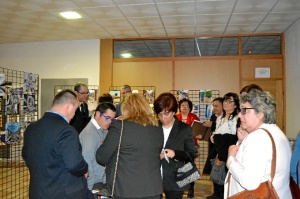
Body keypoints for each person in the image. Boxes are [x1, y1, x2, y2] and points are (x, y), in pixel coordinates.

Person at [22, 89, 89, 199]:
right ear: (68, 106)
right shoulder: (67, 130)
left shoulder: (32, 127)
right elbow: (74, 164)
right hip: (63, 192)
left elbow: (26, 156)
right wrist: (84, 168)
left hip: (38, 191)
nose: (74, 114)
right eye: (75, 109)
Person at [225, 89, 292, 198]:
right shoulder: (276, 132)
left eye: (244, 110)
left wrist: (231, 159)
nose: (239, 115)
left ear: (260, 114)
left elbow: (249, 182)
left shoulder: (257, 138)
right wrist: (243, 141)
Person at [96, 93, 164, 199]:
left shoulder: (119, 126)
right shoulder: (157, 128)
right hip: (152, 189)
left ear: (125, 108)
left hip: (124, 189)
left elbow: (102, 157)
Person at [153, 92, 195, 199]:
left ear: (173, 112)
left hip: (175, 177)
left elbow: (191, 154)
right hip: (154, 175)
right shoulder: (153, 127)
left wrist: (175, 153)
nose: (163, 118)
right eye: (160, 114)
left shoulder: (184, 129)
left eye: (166, 113)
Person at [79, 102, 116, 194]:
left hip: (101, 181)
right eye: (107, 118)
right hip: (95, 184)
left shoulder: (102, 130)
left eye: (112, 119)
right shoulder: (90, 133)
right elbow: (87, 161)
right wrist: (90, 188)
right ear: (98, 114)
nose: (109, 122)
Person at [208, 93, 239, 199]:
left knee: (225, 179)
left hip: (228, 153)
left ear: (235, 105)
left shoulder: (236, 119)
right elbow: (217, 133)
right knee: (217, 175)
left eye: (230, 101)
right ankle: (217, 194)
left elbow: (234, 138)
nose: (226, 103)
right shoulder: (220, 118)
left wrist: (218, 138)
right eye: (225, 100)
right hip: (217, 151)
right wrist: (214, 137)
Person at [176, 98, 200, 198]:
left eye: (187, 105)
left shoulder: (194, 117)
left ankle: (191, 188)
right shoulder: (176, 117)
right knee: (179, 167)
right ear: (179, 108)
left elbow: (199, 131)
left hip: (191, 146)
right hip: (178, 146)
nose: (185, 107)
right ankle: (180, 187)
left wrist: (200, 135)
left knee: (190, 167)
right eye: (182, 105)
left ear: (190, 107)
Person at [202, 97, 224, 175]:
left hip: (220, 147)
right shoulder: (213, 116)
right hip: (212, 145)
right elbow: (210, 131)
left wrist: (213, 124)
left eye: (216, 106)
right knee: (212, 168)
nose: (214, 108)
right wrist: (202, 135)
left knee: (219, 170)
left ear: (223, 106)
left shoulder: (226, 117)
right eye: (213, 106)